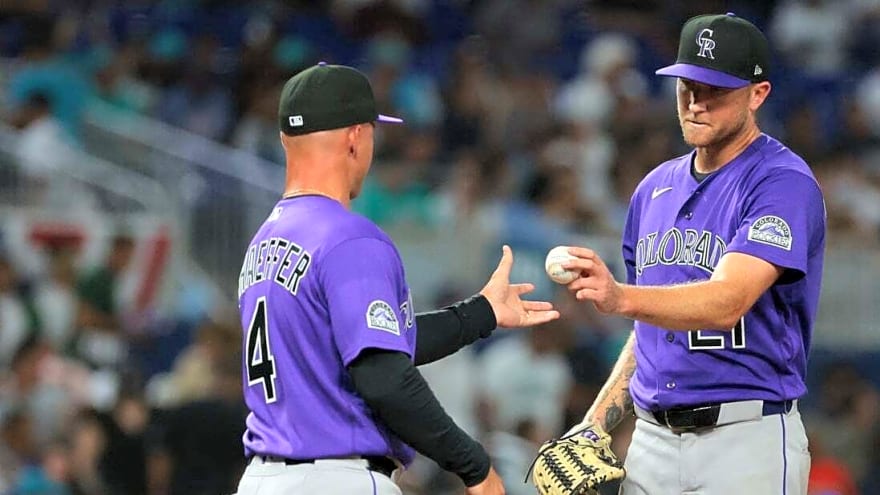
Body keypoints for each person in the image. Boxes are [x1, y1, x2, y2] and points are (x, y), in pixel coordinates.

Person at [233, 61, 560, 495]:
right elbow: (384, 376)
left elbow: (372, 344)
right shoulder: (349, 237)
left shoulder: (264, 241)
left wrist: (481, 313)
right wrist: (475, 466)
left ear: (284, 140)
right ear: (355, 137)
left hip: (262, 479)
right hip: (335, 478)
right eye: (372, 130)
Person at [554, 13, 825, 495]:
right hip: (651, 440)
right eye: (688, 87)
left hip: (745, 440)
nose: (696, 104)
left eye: (714, 90)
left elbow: (728, 301)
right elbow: (650, 328)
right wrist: (596, 423)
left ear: (757, 93)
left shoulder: (780, 182)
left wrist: (619, 297)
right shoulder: (653, 188)